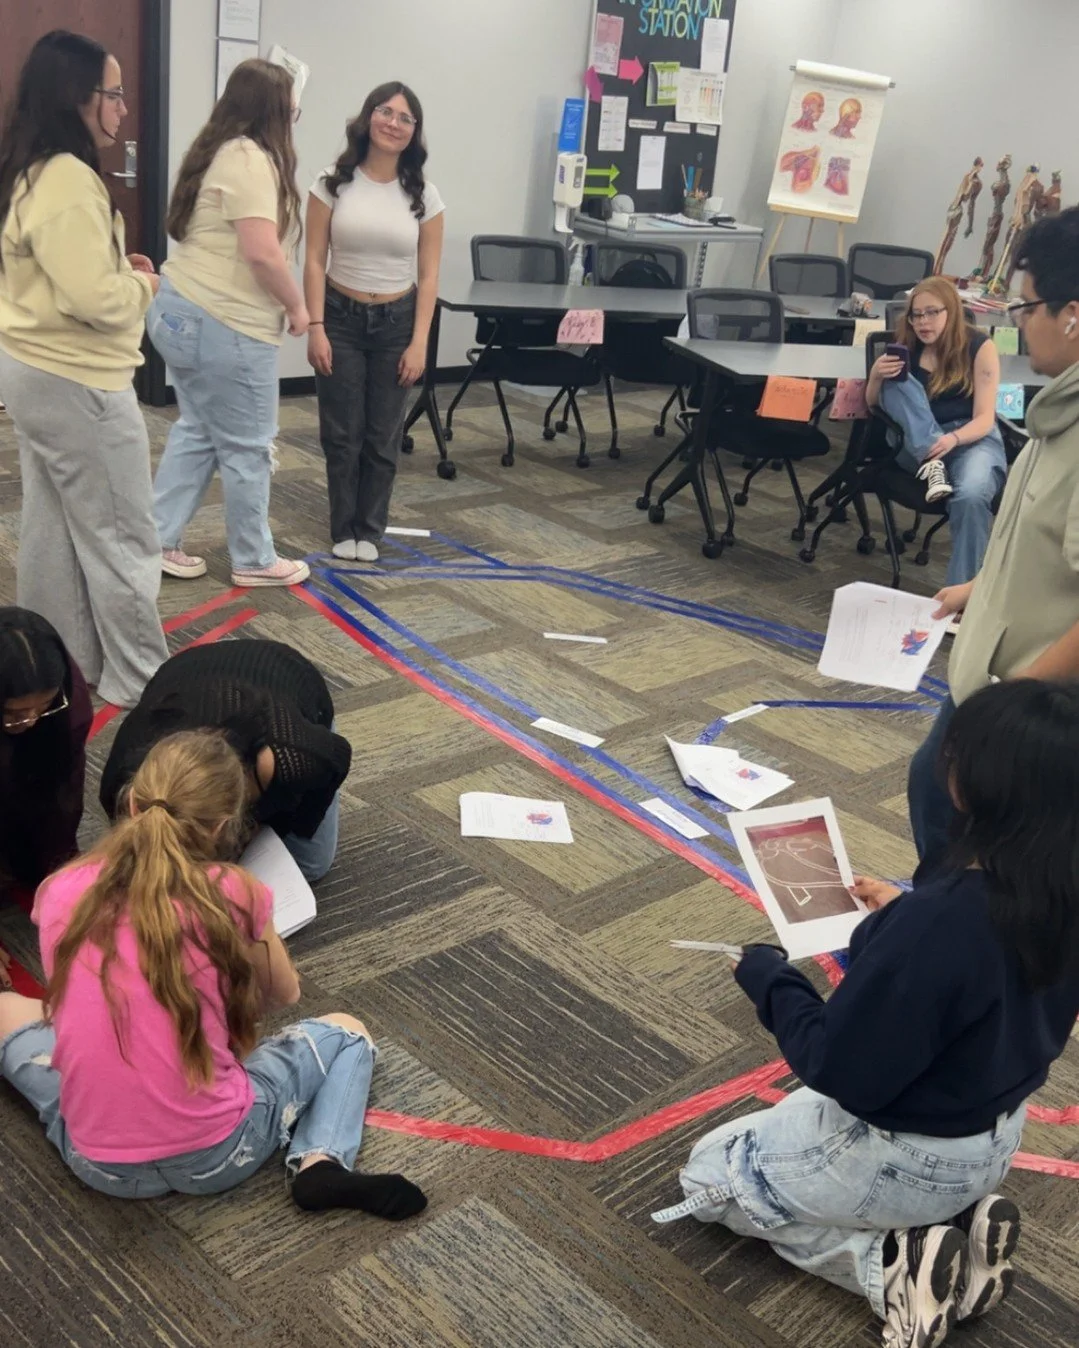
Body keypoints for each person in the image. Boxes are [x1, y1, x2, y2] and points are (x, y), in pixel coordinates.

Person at [655, 679, 1079, 1348]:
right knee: (782, 1124)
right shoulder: (1052, 883)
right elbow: (982, 967)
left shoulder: (937, 924)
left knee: (708, 1174)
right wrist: (898, 914)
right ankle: (956, 1230)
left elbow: (839, 1069)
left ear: (971, 785)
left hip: (909, 1154)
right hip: (992, 1133)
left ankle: (891, 1266)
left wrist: (771, 980)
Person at [0, 730, 426, 1215]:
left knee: (8, 1009)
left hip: (100, 1165)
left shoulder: (61, 889)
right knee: (347, 1032)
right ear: (224, 824)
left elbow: (74, 1000)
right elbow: (283, 993)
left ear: (133, 803)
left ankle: (106, 1106)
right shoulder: (233, 891)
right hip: (219, 1155)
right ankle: (320, 1160)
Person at [0, 31, 168, 708]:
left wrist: (114, 270)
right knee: (122, 536)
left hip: (36, 369)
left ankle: (56, 668)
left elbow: (66, 276)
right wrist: (142, 286)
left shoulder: (31, 168)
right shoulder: (69, 178)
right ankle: (145, 682)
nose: (123, 108)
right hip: (78, 379)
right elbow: (96, 302)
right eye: (114, 93)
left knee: (56, 531)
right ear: (78, 96)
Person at [909, 207, 1079, 874]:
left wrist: (1011, 704)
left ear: (1072, 315)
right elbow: (1039, 542)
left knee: (984, 854)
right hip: (991, 681)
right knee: (935, 799)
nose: (1017, 321)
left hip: (1029, 703)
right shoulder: (1058, 411)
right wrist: (980, 588)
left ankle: (947, 928)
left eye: (1025, 307)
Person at [149, 60, 310, 589]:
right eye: (292, 111)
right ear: (274, 112)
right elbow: (262, 254)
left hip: (182, 309)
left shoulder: (218, 151)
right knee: (248, 445)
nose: (294, 120)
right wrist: (298, 307)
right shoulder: (250, 159)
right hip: (226, 321)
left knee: (199, 430)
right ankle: (254, 558)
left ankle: (156, 540)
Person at [304, 81, 445, 562]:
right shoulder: (332, 182)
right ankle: (343, 526)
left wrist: (420, 341)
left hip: (397, 321)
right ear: (367, 118)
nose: (393, 123)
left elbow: (429, 276)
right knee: (341, 433)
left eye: (406, 118)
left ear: (415, 131)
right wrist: (316, 326)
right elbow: (313, 259)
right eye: (386, 112)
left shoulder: (424, 195)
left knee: (383, 435)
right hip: (339, 317)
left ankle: (370, 529)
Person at [99, 641, 350, 883]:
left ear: (222, 825)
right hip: (185, 674)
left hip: (283, 672)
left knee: (311, 865)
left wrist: (288, 826)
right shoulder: (121, 779)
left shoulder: (289, 754)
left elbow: (338, 757)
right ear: (134, 804)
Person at [866, 277, 1005, 589]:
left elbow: (985, 419)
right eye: (916, 315)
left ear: (951, 311)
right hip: (917, 447)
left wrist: (952, 439)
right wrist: (875, 376)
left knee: (971, 495)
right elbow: (875, 406)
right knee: (895, 383)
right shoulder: (906, 347)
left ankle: (960, 596)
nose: (922, 322)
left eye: (931, 312)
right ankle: (932, 466)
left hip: (970, 439)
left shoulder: (979, 346)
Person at [0, 609, 93, 989]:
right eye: (14, 713)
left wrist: (58, 871)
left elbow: (62, 796)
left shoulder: (68, 701)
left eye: (42, 707)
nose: (31, 721)